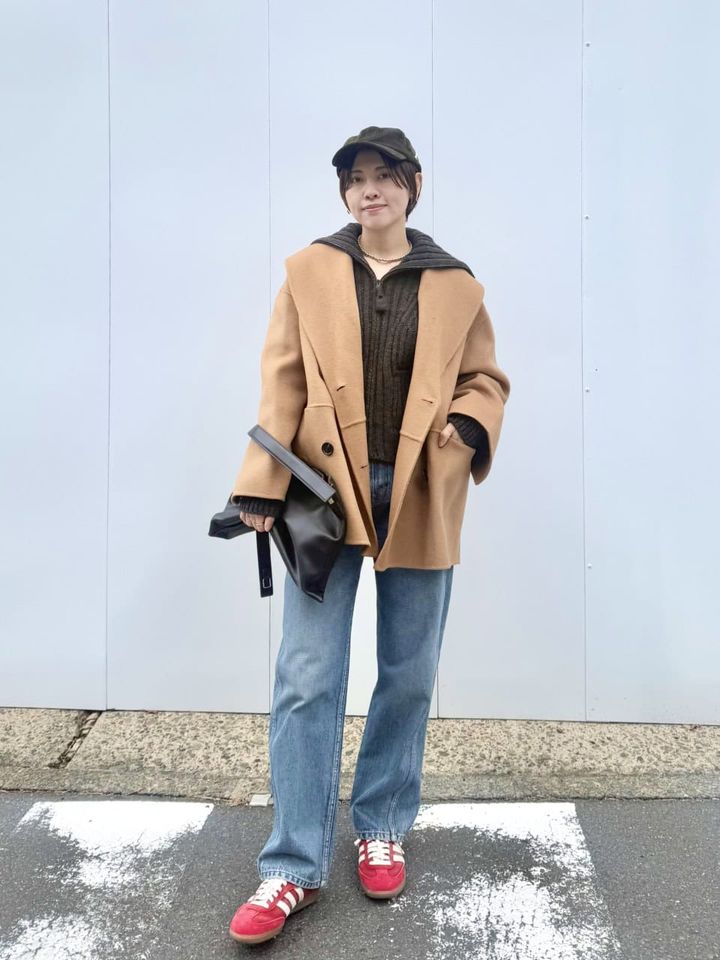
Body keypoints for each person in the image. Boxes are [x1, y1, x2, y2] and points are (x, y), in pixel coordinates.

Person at [227, 126, 511, 945]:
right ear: (345, 193)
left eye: (384, 176)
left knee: (408, 670)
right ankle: (292, 865)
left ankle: (382, 823)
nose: (368, 190)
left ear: (413, 186)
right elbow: (282, 380)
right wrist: (259, 482)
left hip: (419, 490)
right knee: (306, 676)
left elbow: (485, 378)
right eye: (356, 179)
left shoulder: (456, 283)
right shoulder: (309, 272)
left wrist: (467, 425)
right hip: (324, 495)